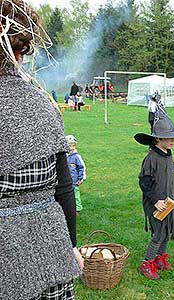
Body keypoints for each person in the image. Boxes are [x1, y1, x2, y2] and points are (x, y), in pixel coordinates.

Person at [0, 1, 83, 299]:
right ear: (20, 52)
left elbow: (63, 185)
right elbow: (64, 187)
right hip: (52, 249)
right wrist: (71, 245)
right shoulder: (43, 103)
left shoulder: (42, 102)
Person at [134, 107, 174, 280]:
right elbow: (144, 182)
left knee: (166, 231)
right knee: (158, 233)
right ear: (157, 139)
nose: (173, 140)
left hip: (168, 201)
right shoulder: (151, 158)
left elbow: (169, 170)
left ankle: (159, 259)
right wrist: (156, 200)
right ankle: (147, 263)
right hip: (156, 202)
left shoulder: (166, 152)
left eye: (173, 136)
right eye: (169, 137)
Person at [66, 135, 86, 215]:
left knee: (76, 195)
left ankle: (77, 209)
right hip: (66, 181)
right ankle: (67, 208)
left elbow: (82, 167)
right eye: (70, 146)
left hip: (75, 181)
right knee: (67, 196)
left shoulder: (76, 157)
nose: (72, 148)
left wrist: (81, 178)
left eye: (73, 145)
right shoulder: (63, 156)